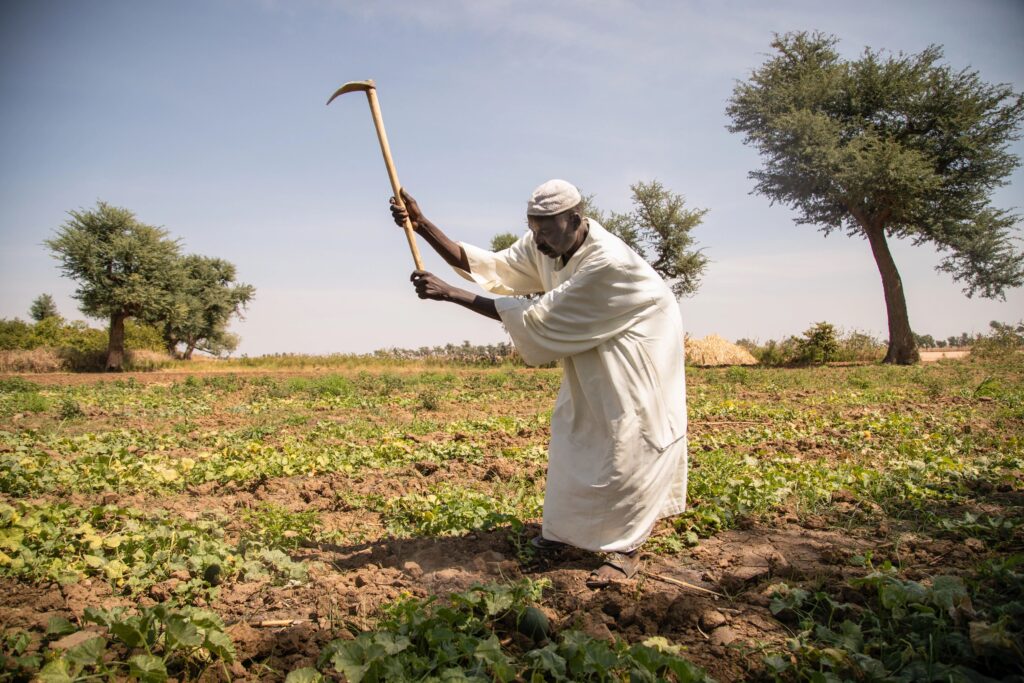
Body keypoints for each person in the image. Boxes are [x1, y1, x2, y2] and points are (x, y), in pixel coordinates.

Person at [390, 179, 688, 587]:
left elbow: (540, 317)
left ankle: (624, 550)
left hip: (635, 351)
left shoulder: (609, 264)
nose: (538, 239)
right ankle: (563, 536)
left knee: (628, 436)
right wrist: (424, 225)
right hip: (593, 350)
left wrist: (451, 294)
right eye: (533, 227)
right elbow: (494, 267)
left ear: (575, 220)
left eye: (546, 229)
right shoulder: (545, 243)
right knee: (577, 431)